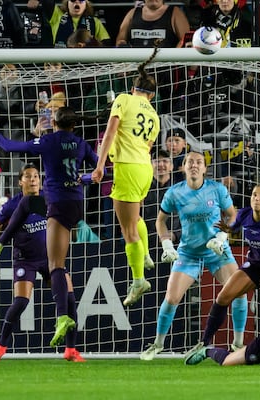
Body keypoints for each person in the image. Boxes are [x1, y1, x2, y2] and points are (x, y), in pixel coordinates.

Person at [0, 106, 98, 354]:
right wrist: (84, 179)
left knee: (59, 272)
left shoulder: (47, 146)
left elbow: (9, 146)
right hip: (69, 210)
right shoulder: (80, 143)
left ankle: (69, 343)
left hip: (56, 209)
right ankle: (3, 346)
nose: (34, 179)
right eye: (30, 176)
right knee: (27, 300)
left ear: (54, 124)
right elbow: (102, 171)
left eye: (36, 175)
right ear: (20, 181)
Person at [140, 151, 247, 361]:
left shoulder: (217, 189)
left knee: (240, 292)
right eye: (190, 162)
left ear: (205, 168)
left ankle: (238, 343)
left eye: (199, 162)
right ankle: (158, 344)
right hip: (188, 252)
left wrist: (222, 236)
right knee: (171, 298)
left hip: (216, 250)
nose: (195, 166)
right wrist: (167, 244)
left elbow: (233, 216)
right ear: (183, 167)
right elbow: (160, 221)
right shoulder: (174, 192)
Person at [184, 183, 260, 361]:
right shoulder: (244, 214)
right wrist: (226, 231)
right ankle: (204, 343)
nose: (257, 199)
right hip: (255, 265)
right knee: (223, 297)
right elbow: (233, 227)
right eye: (254, 195)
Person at [91, 47, 161, 306]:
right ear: (151, 94)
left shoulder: (123, 99)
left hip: (128, 168)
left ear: (134, 88)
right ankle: (145, 256)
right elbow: (149, 146)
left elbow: (110, 133)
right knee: (137, 218)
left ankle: (139, 279)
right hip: (145, 169)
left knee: (127, 229)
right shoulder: (154, 115)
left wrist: (99, 165)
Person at [116, 0, 190, 48]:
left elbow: (185, 40)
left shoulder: (175, 13)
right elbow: (121, 40)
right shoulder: (132, 13)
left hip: (164, 66)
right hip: (136, 66)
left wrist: (173, 59)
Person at [43, 0, 111, 48]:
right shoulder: (57, 16)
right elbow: (47, 2)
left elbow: (106, 43)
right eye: (73, 0)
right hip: (62, 61)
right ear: (67, 3)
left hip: (87, 62)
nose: (77, 1)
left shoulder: (95, 22)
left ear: (86, 4)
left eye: (81, 0)